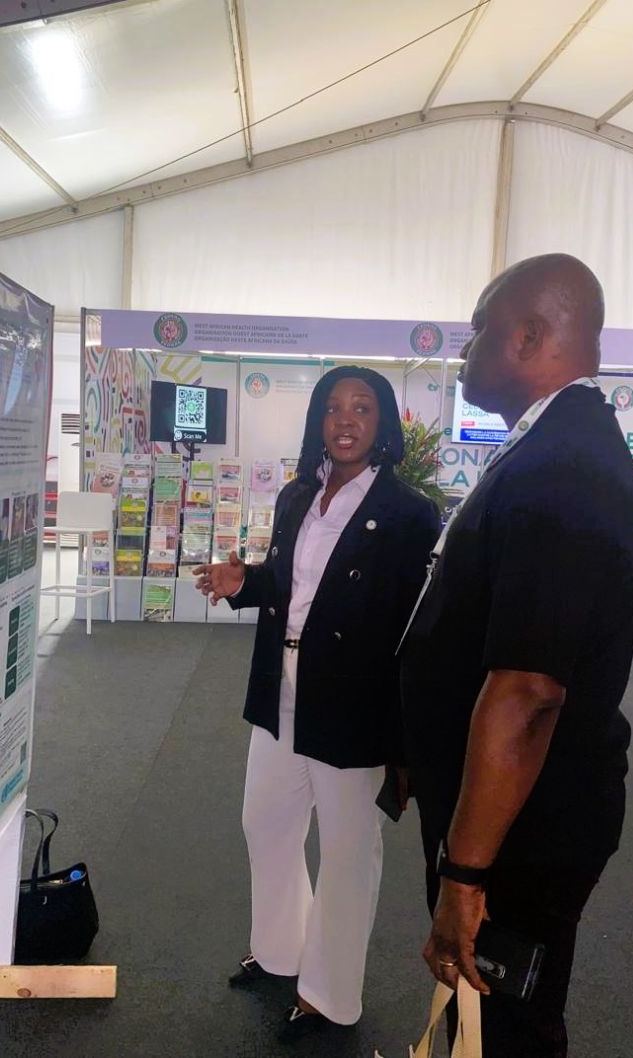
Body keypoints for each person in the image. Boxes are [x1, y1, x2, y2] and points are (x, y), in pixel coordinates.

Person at [400, 254, 633, 1057]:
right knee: (484, 1017)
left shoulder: (564, 467)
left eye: (481, 329)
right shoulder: (549, 446)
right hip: (508, 807)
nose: (466, 346)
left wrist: (467, 875)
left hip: (523, 824)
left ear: (531, 337)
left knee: (504, 1023)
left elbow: (530, 692)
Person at [195, 366, 440, 1043]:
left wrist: (405, 737)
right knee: (265, 821)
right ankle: (280, 951)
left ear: (382, 423)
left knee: (347, 851)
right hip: (282, 682)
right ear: (318, 422)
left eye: (362, 407)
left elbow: (416, 628)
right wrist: (243, 582)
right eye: (333, 408)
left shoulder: (409, 512)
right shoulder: (299, 494)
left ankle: (329, 995)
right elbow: (287, 583)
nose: (345, 420)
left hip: (353, 700)